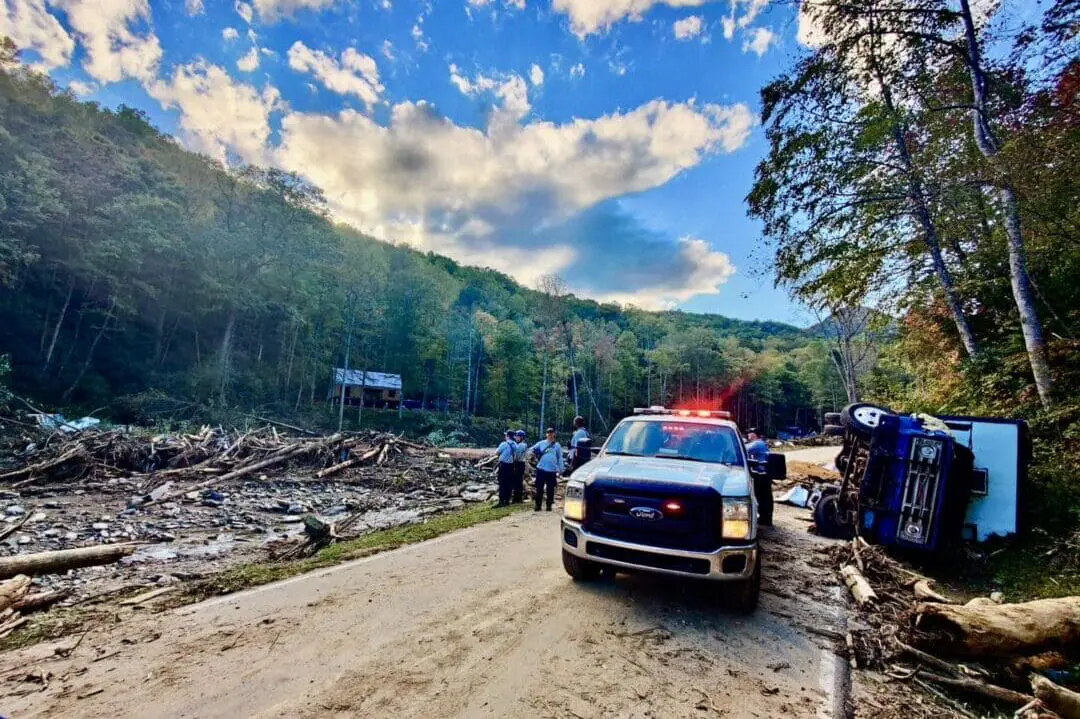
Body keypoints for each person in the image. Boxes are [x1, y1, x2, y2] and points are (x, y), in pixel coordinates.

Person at [529, 427, 564, 511]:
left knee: (550, 489)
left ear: (554, 434)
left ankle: (549, 506)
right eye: (548, 433)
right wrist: (534, 455)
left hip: (552, 470)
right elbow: (531, 450)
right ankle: (538, 506)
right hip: (541, 469)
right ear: (546, 434)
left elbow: (560, 458)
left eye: (551, 433)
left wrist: (560, 469)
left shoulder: (557, 445)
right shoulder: (541, 443)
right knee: (539, 488)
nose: (550, 434)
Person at [494, 430, 517, 507]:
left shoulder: (503, 444)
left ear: (507, 436)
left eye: (506, 435)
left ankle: (501, 501)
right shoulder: (515, 445)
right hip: (511, 466)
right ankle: (507, 500)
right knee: (509, 483)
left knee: (502, 483)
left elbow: (496, 452)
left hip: (503, 466)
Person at [512, 429, 528, 503]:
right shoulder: (521, 444)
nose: (516, 438)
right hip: (520, 464)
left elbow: (516, 456)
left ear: (521, 437)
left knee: (517, 481)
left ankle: (517, 498)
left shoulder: (521, 445)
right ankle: (517, 497)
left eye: (517, 436)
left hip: (519, 463)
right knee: (517, 481)